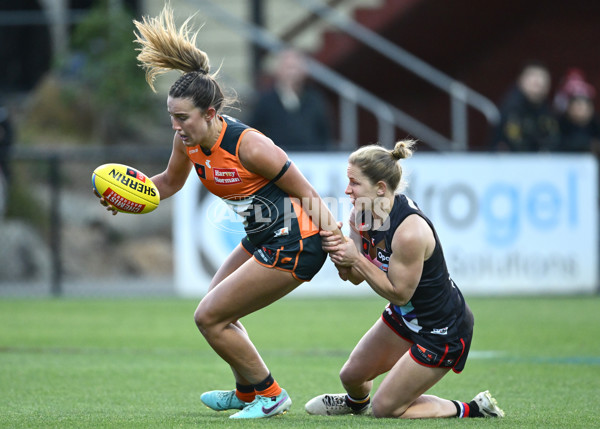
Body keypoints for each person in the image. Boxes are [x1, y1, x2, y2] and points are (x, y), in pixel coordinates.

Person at [95, 6, 343, 419]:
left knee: (209, 317)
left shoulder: (250, 145)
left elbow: (308, 193)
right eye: (171, 117)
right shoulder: (187, 140)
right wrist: (129, 194)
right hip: (262, 237)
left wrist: (339, 246)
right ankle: (247, 393)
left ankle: (270, 394)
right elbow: (168, 184)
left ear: (210, 114)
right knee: (218, 307)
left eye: (182, 117)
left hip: (296, 241)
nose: (175, 125)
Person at [306, 141, 504, 419]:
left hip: (442, 329)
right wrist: (339, 255)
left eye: (354, 183)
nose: (347, 190)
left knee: (386, 408)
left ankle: (473, 408)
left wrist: (357, 259)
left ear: (381, 188)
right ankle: (356, 404)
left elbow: (400, 293)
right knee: (351, 376)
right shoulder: (360, 215)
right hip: (405, 317)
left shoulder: (410, 232)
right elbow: (354, 279)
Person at [248, 48, 333, 152]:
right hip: (276, 161)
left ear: (303, 70)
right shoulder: (265, 101)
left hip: (310, 161)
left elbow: (324, 134)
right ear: (278, 70)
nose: (292, 73)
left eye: (295, 67)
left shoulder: (315, 100)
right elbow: (254, 130)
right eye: (288, 67)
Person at [490, 61, 559, 152]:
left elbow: (554, 139)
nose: (538, 82)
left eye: (542, 78)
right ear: (520, 80)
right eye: (533, 77)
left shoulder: (547, 109)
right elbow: (514, 143)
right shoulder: (510, 107)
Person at [555, 76, 600, 154]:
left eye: (585, 104)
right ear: (569, 108)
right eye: (577, 104)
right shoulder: (559, 125)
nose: (581, 108)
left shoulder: (596, 125)